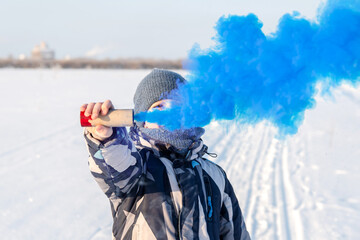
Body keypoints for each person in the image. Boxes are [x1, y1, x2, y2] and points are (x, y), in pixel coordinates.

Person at [81, 69, 250, 240]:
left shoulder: (214, 175)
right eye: (158, 106)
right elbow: (113, 161)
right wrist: (106, 138)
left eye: (178, 105)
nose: (168, 113)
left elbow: (236, 233)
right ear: (143, 119)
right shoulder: (136, 166)